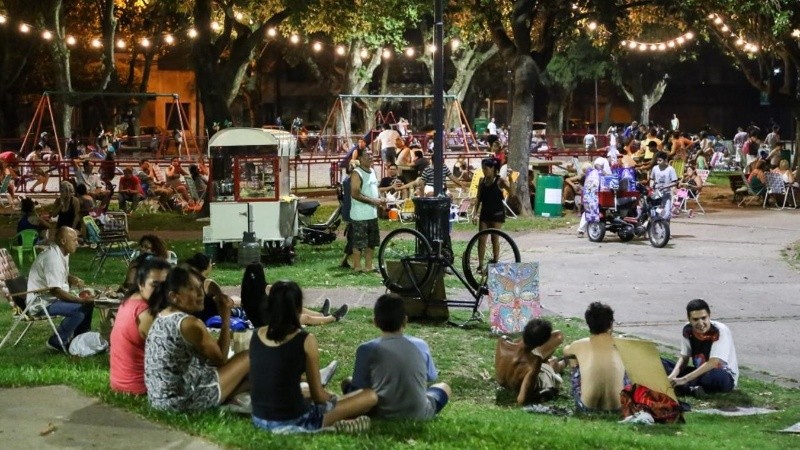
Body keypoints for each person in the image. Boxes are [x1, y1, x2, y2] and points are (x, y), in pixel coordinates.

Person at [249, 280, 376, 433]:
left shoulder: (255, 335)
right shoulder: (305, 340)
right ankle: (334, 425)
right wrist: (335, 399)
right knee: (369, 396)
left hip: (259, 419)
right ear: (299, 307)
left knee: (303, 391)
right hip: (297, 420)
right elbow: (319, 397)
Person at [144, 265, 249, 412]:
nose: (200, 294)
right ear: (174, 296)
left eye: (200, 288)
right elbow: (220, 359)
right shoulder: (190, 324)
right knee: (248, 357)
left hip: (159, 399)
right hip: (182, 402)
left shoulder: (162, 316)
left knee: (250, 376)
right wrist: (226, 317)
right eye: (192, 289)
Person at [341, 293, 450, 419]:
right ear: (405, 321)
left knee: (347, 382)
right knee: (444, 387)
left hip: (377, 411)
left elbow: (358, 386)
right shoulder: (421, 345)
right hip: (419, 413)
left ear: (375, 322)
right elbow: (431, 376)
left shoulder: (366, 349)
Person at [26, 227, 95, 351]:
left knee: (88, 305)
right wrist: (80, 300)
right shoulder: (52, 258)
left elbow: (57, 275)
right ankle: (56, 342)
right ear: (63, 241)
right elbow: (55, 290)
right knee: (79, 309)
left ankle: (79, 340)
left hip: (51, 298)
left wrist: (70, 277)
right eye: (74, 240)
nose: (77, 243)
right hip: (41, 303)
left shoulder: (62, 253)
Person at [110, 258, 171, 395]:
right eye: (155, 285)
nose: (161, 290)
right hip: (140, 386)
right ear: (141, 284)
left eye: (166, 285)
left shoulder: (129, 301)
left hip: (120, 382)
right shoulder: (147, 314)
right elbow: (171, 357)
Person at [663, 299, 738, 396]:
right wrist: (672, 376)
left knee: (712, 377)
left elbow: (713, 363)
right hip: (698, 372)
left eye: (704, 318)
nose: (701, 323)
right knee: (660, 363)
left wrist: (684, 379)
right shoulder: (687, 330)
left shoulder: (720, 330)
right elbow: (684, 358)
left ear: (709, 316)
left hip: (721, 374)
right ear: (689, 319)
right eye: (695, 319)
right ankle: (690, 389)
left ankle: (684, 388)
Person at [240, 262, 347, 328]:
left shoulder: (249, 291)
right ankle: (333, 318)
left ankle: (321, 314)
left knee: (296, 308)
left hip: (271, 319)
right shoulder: (258, 296)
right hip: (272, 325)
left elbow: (271, 288)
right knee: (305, 318)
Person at [563, 302, 627, 411]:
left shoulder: (579, 345)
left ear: (588, 324)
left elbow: (565, 351)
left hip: (587, 406)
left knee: (573, 360)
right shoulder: (622, 345)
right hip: (618, 406)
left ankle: (586, 390)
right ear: (611, 324)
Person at [495, 318, 565, 405]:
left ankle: (558, 362)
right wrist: (547, 392)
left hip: (503, 382)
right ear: (541, 343)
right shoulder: (534, 362)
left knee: (557, 335)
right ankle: (565, 362)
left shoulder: (503, 341)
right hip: (522, 382)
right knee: (553, 364)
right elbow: (522, 399)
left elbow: (519, 346)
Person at [472, 158, 511, 271]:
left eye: (486, 169)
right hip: (485, 213)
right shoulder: (482, 181)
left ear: (493, 168)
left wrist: (511, 181)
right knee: (481, 239)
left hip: (497, 213)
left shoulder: (499, 181)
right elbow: (478, 198)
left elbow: (512, 193)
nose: (484, 171)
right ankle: (480, 264)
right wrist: (475, 213)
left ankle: (495, 261)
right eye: (483, 169)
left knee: (495, 239)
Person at [349, 151, 384, 273]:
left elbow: (375, 187)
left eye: (371, 155)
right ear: (360, 159)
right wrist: (373, 201)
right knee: (359, 242)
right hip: (360, 215)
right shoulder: (357, 173)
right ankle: (357, 266)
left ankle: (369, 266)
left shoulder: (373, 171)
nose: (370, 157)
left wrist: (380, 198)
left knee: (371, 242)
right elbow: (355, 193)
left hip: (372, 214)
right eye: (367, 155)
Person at [649, 151, 677, 219]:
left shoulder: (670, 169)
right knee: (654, 212)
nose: (658, 162)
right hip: (656, 194)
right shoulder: (655, 168)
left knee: (666, 214)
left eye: (660, 160)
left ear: (665, 160)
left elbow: (675, 182)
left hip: (666, 194)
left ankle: (666, 227)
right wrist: (651, 185)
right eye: (657, 160)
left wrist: (665, 186)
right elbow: (652, 179)